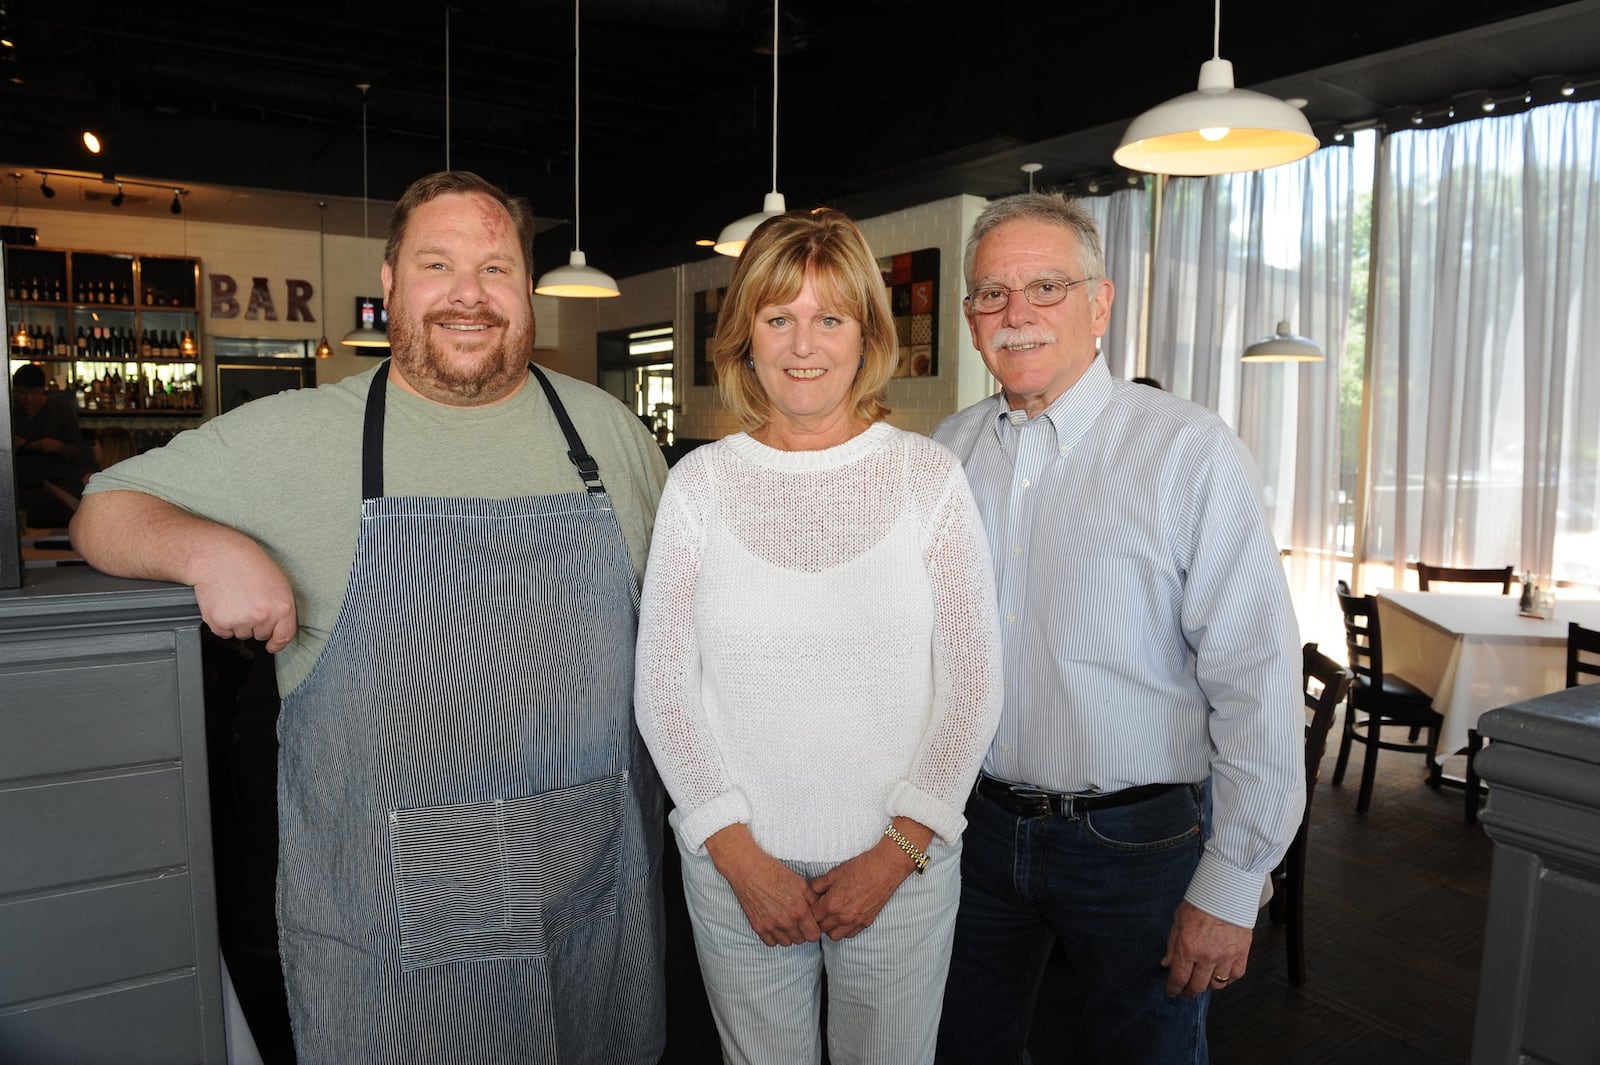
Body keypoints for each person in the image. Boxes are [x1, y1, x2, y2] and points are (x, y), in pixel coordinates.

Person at [71, 170, 670, 1065]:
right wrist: (208, 550)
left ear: (526, 289)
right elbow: (104, 508)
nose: (469, 295)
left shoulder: (608, 430)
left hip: (594, 898)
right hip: (396, 929)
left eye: (496, 268)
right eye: (438, 264)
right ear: (389, 283)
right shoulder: (296, 435)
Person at [932, 193, 1303, 1064]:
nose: (1016, 313)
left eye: (1047, 286)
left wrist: (1235, 878)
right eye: (992, 293)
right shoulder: (946, 452)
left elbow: (1255, 676)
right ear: (970, 319)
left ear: (1100, 304)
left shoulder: (1189, 451)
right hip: (977, 830)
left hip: (1138, 845)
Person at [634, 209, 1003, 1065]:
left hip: (901, 867)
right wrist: (735, 851)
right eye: (779, 317)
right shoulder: (700, 485)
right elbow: (663, 690)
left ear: (867, 334)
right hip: (737, 874)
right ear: (746, 337)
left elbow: (974, 684)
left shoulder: (927, 477)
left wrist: (900, 847)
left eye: (829, 317)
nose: (805, 345)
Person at [11, 362, 85, 527]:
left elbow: (77, 452)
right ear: (15, 390)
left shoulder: (61, 411)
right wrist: (8, 446)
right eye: (23, 393)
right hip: (16, 493)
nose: (28, 399)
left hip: (55, 494)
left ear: (43, 389)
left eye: (34, 393)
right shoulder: (8, 411)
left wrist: (57, 447)